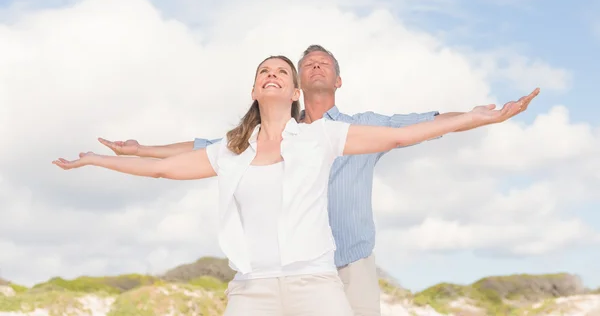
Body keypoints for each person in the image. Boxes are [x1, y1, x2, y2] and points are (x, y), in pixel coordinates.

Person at [95, 46, 540, 316]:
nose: (315, 67)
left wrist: (477, 117)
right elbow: (198, 150)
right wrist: (140, 150)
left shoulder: (350, 129)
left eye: (324, 63)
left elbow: (415, 127)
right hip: (272, 276)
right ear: (298, 87)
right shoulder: (256, 141)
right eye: (306, 63)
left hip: (343, 264)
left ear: (337, 79)